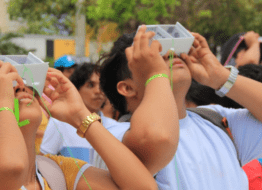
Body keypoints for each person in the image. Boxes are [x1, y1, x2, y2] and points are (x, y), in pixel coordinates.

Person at [0, 52, 162, 189]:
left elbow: (143, 187)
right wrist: (3, 105)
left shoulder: (56, 171)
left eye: (23, 83)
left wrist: (80, 116)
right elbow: (9, 168)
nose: (19, 87)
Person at [98, 25, 262, 189]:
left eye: (171, 49)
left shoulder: (216, 120)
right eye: (152, 58)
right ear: (127, 88)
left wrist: (221, 77)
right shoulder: (114, 136)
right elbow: (157, 137)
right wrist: (156, 74)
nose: (170, 54)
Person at [40, 63, 120, 163]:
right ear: (75, 89)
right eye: (90, 85)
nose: (98, 91)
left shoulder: (116, 127)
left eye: (102, 85)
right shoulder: (60, 123)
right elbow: (44, 162)